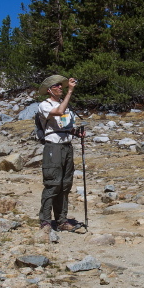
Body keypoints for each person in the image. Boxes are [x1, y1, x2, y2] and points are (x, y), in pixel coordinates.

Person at [37, 74, 85, 233]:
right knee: (53, 183)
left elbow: (65, 124)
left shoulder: (65, 106)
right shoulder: (45, 105)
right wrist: (70, 92)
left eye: (61, 86)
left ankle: (62, 220)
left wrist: (76, 133)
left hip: (67, 146)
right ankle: (45, 221)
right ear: (50, 90)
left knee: (65, 185)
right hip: (53, 147)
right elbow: (59, 112)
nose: (60, 88)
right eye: (56, 86)